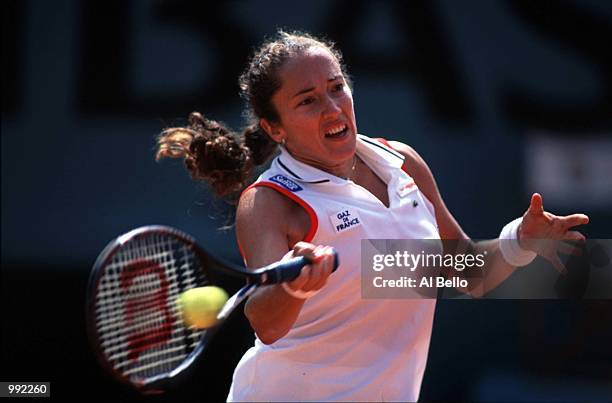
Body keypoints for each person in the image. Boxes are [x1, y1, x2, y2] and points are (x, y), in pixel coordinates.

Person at [156, 31, 589, 402]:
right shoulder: (270, 203)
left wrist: (519, 241)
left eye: (336, 86)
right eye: (307, 100)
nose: (331, 107)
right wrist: (296, 288)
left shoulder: (403, 163)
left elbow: (466, 274)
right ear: (275, 128)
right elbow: (267, 323)